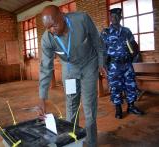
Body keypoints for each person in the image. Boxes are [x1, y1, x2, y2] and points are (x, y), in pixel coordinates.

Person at [39, 5, 106, 147]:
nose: (52, 30)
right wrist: (42, 97)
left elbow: (96, 40)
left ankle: (91, 141)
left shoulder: (81, 19)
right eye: (48, 28)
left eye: (54, 25)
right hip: (69, 71)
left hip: (88, 65)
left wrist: (101, 62)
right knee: (71, 106)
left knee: (89, 106)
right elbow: (45, 67)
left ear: (62, 16)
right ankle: (72, 141)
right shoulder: (47, 39)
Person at [101, 8, 144, 119]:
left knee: (131, 85)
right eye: (112, 16)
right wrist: (104, 66)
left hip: (127, 64)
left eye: (117, 16)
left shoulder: (126, 31)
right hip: (114, 65)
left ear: (121, 17)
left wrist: (133, 54)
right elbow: (102, 50)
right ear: (110, 18)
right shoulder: (105, 32)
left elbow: (134, 45)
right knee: (115, 87)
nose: (114, 18)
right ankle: (118, 109)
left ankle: (131, 106)